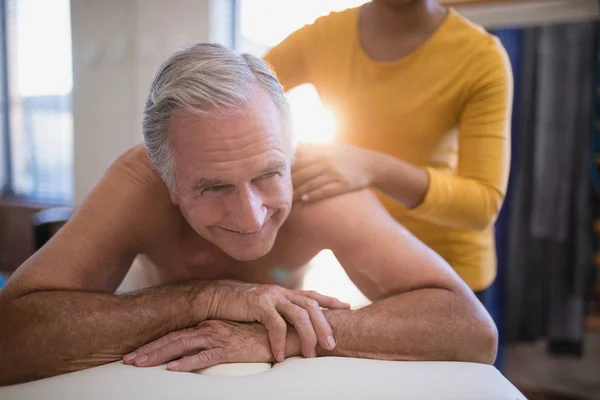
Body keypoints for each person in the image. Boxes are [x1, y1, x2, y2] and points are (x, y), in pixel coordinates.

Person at [0, 43, 497, 386]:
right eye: (214, 186)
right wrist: (207, 299)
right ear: (169, 181)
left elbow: (470, 328)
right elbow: (12, 335)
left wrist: (276, 330)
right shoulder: (137, 182)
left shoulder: (318, 182)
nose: (252, 214)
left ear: (290, 147)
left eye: (268, 174)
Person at [263, 0, 513, 298]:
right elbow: (240, 95)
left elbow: (481, 206)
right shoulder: (324, 36)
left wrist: (371, 167)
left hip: (449, 271)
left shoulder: (480, 57)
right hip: (365, 262)